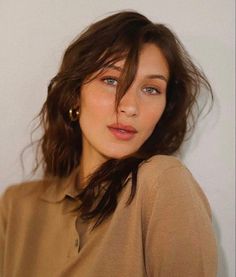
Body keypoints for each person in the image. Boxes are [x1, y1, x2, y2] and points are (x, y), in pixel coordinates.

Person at [0, 10, 218, 277]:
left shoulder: (162, 182)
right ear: (74, 96)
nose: (129, 107)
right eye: (111, 80)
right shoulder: (17, 204)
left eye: (151, 89)